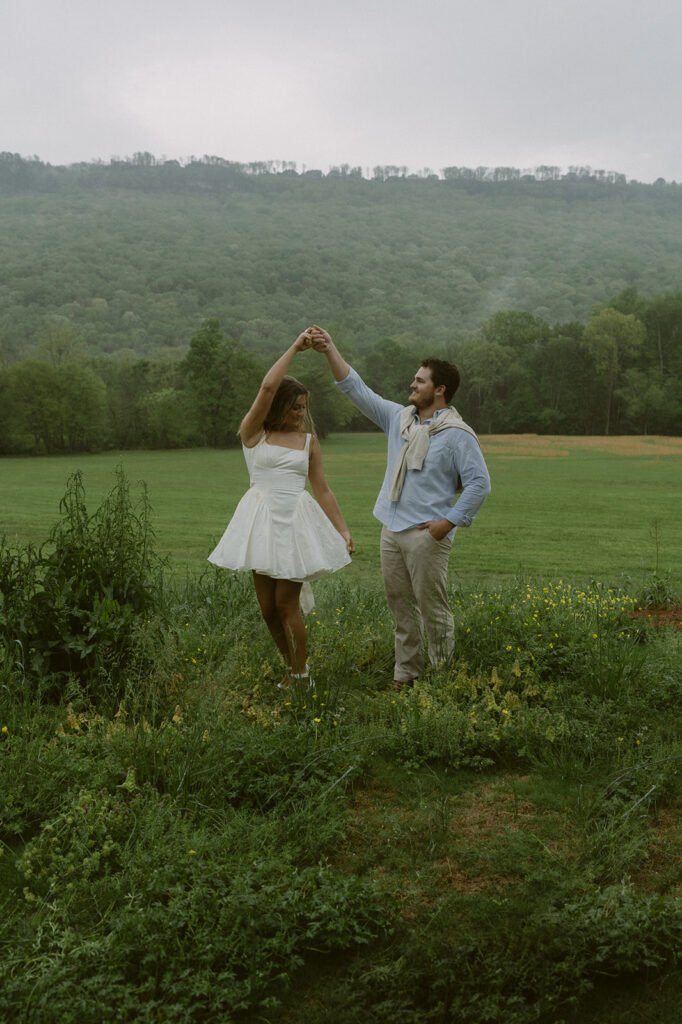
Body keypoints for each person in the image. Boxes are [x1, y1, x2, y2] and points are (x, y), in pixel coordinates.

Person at [310, 325, 490, 688]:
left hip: (427, 535)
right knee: (401, 609)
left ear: (439, 390)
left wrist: (447, 523)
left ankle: (442, 680)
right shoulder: (400, 419)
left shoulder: (457, 435)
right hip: (391, 530)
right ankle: (405, 675)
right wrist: (330, 349)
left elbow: (479, 485)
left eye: (420, 381)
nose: (412, 385)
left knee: (433, 611)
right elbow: (356, 389)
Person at [208, 330, 355, 686]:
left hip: (293, 524)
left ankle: (302, 675)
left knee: (286, 604)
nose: (299, 413)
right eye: (295, 406)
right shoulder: (253, 434)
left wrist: (343, 529)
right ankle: (291, 668)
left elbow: (322, 488)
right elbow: (266, 388)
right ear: (279, 406)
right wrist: (295, 347)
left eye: (303, 407)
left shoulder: (308, 442)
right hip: (260, 523)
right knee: (268, 609)